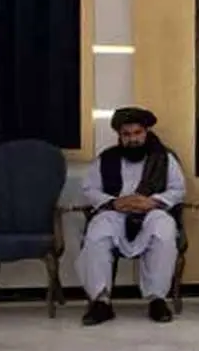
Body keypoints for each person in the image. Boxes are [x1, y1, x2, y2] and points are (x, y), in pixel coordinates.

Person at [77, 107, 185, 326]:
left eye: (137, 133)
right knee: (97, 230)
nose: (133, 139)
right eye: (127, 134)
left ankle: (157, 299)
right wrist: (113, 202)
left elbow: (178, 189)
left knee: (164, 229)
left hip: (151, 212)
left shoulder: (164, 158)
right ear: (120, 135)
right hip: (116, 212)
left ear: (146, 132)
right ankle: (101, 301)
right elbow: (89, 189)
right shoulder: (106, 158)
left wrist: (153, 201)